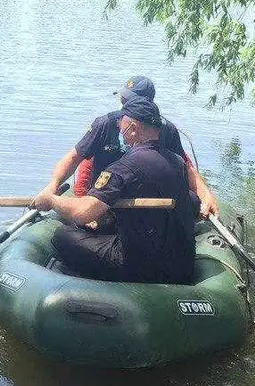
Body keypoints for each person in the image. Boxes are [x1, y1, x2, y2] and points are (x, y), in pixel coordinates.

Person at [32, 94, 198, 284]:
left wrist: (51, 200)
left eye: (122, 127)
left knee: (63, 236)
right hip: (182, 267)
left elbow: (83, 213)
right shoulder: (178, 162)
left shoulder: (125, 167)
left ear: (133, 128)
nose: (121, 131)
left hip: (138, 267)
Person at [37, 75, 219, 219]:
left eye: (129, 100)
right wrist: (53, 186)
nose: (123, 104)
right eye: (123, 98)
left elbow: (185, 167)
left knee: (190, 204)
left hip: (148, 204)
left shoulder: (165, 130)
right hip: (105, 201)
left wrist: (206, 195)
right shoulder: (105, 124)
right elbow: (73, 157)